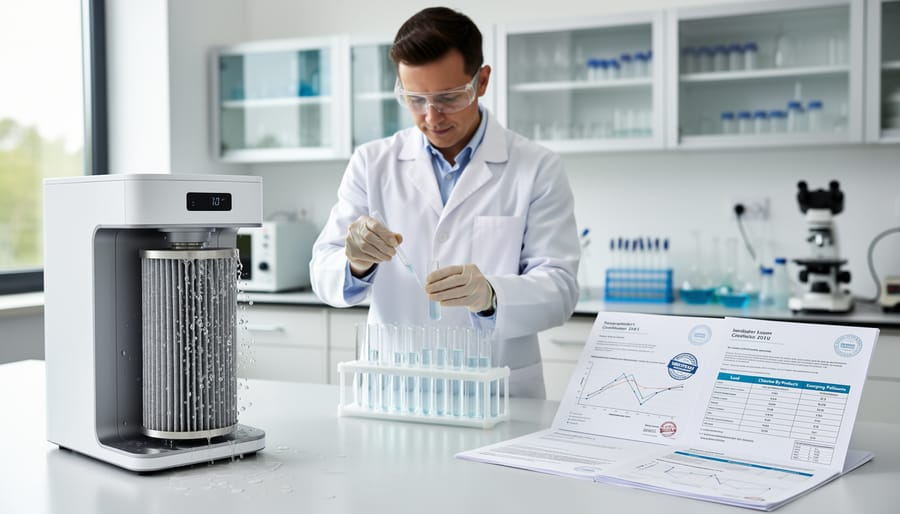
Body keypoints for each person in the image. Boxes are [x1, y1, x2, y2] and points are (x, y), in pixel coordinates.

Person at [310, 6, 579, 398]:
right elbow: (323, 273)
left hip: (494, 393)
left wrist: (490, 295)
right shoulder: (372, 162)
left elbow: (560, 289)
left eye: (449, 98)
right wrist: (355, 261)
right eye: (415, 99)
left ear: (481, 81)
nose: (431, 116)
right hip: (394, 390)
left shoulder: (537, 167)